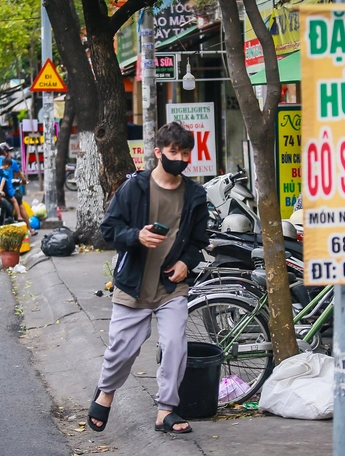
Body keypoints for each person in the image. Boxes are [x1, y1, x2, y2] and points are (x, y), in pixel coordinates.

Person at [88, 122, 209, 435]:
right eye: (173, 152)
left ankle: (166, 410)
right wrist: (136, 235)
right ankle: (106, 391)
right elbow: (109, 230)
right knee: (123, 348)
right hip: (134, 283)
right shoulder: (136, 187)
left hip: (171, 286)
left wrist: (186, 262)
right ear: (158, 152)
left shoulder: (195, 195)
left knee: (174, 345)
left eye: (185, 153)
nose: (180, 158)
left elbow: (198, 240)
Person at [0, 143, 35, 234]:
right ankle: (29, 228)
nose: (11, 153)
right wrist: (24, 181)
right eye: (9, 151)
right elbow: (20, 175)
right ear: (6, 153)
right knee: (19, 203)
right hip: (6, 192)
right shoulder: (11, 162)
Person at [0, 157, 27, 227]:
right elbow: (3, 182)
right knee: (15, 200)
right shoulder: (6, 172)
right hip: (5, 192)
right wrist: (1, 191)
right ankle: (19, 216)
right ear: (7, 166)